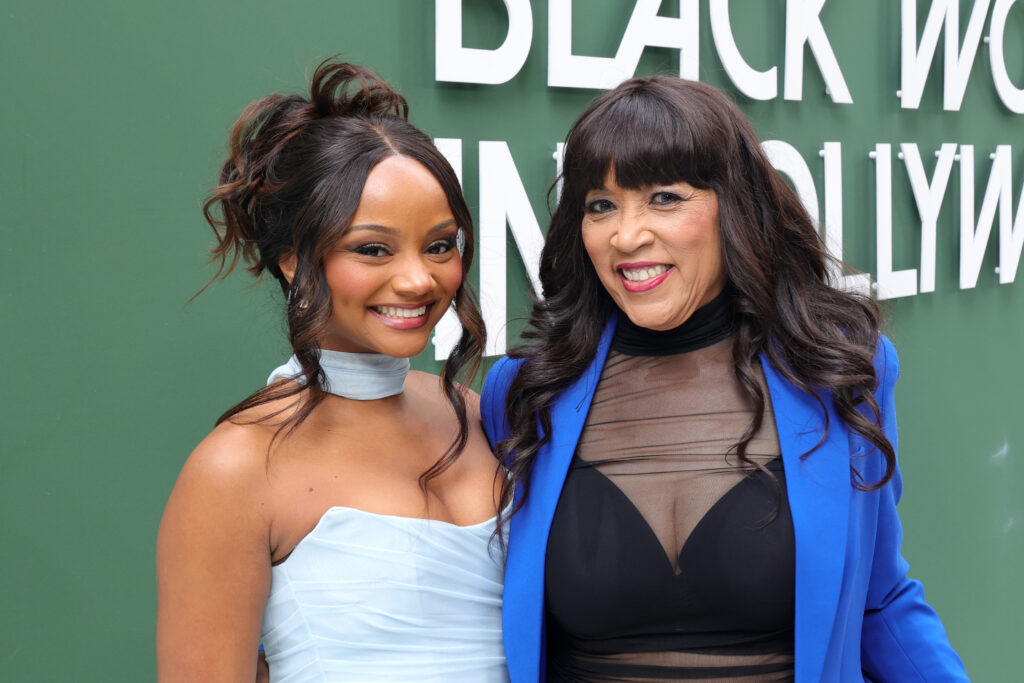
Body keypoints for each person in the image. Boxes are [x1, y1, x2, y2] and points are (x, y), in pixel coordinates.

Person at [481, 76, 969, 681]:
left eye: (664, 197)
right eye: (600, 205)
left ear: (733, 205)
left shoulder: (837, 371)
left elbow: (880, 600)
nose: (626, 235)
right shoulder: (526, 396)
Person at [156, 60, 508, 682]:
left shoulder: (479, 414)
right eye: (373, 248)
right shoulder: (236, 467)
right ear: (294, 260)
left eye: (440, 244)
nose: (418, 279)